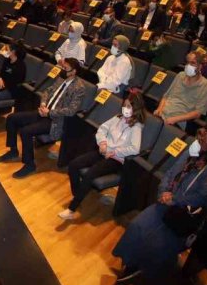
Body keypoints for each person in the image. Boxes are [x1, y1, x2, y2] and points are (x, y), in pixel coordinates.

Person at [112, 126, 207, 285]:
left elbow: (200, 197)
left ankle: (145, 272)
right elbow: (170, 173)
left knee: (154, 243)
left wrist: (174, 199)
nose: (198, 140)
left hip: (181, 214)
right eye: (198, 135)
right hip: (165, 203)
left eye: (203, 138)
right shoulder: (189, 153)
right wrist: (163, 191)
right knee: (137, 226)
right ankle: (130, 263)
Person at [59, 91, 146, 220]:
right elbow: (102, 129)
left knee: (90, 174)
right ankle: (78, 195)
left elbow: (134, 148)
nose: (125, 109)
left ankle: (72, 209)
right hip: (103, 151)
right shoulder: (118, 117)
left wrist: (114, 151)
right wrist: (103, 143)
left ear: (136, 108)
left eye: (129, 106)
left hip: (115, 159)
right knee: (73, 165)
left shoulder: (136, 126)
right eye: (125, 105)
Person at [0, 58, 86, 177]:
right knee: (12, 118)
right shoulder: (61, 79)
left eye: (66, 68)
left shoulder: (79, 87)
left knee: (25, 131)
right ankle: (13, 151)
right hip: (43, 112)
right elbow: (47, 92)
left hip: (55, 120)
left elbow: (71, 110)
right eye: (63, 67)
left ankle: (29, 165)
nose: (62, 70)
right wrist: (43, 104)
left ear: (74, 71)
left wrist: (49, 112)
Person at [154, 50, 207, 127]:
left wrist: (175, 119)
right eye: (187, 62)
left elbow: (198, 113)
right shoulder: (180, 75)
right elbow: (166, 96)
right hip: (162, 114)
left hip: (177, 121)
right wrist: (159, 109)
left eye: (193, 63)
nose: (189, 65)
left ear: (200, 66)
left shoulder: (205, 85)